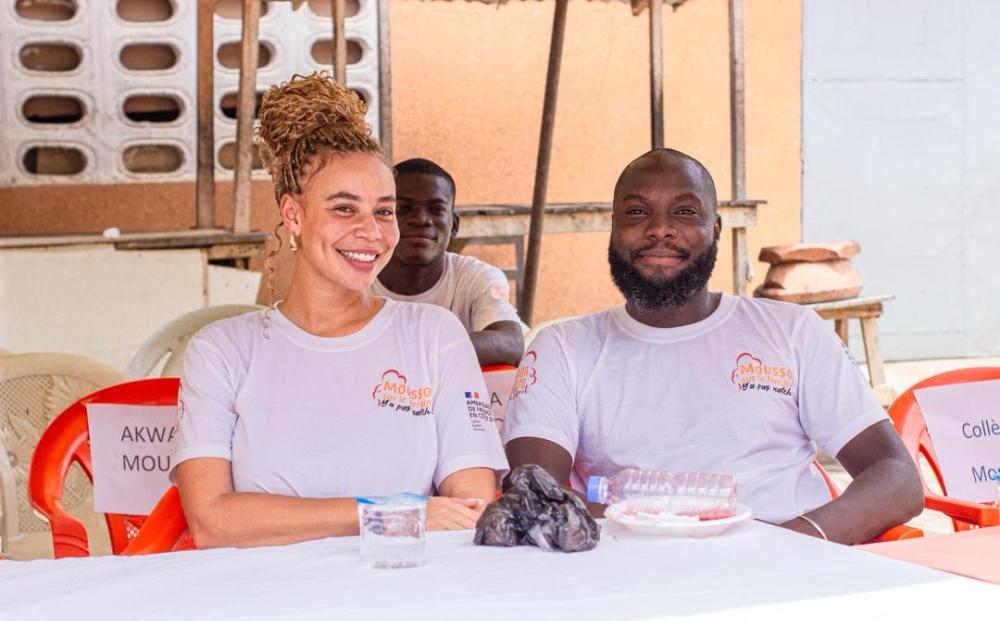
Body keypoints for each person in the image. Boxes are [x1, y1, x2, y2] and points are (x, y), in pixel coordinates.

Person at [503, 148, 923, 545]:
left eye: (685, 212)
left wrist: (789, 545)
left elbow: (897, 476)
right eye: (637, 212)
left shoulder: (793, 331)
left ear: (715, 228)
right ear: (613, 228)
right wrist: (665, 535)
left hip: (787, 567)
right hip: (628, 568)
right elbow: (533, 493)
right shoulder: (564, 348)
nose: (660, 228)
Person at [171, 73, 507, 549]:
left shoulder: (435, 335)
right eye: (345, 209)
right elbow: (212, 521)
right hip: (264, 591)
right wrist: (390, 512)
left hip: (401, 582)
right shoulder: (222, 350)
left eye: (384, 211)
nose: (372, 231)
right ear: (293, 214)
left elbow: (470, 505)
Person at [371, 158, 525, 366]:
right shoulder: (354, 278)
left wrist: (413, 351)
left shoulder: (475, 277)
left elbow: (510, 343)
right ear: (381, 218)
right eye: (405, 208)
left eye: (436, 210)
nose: (421, 219)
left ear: (454, 226)